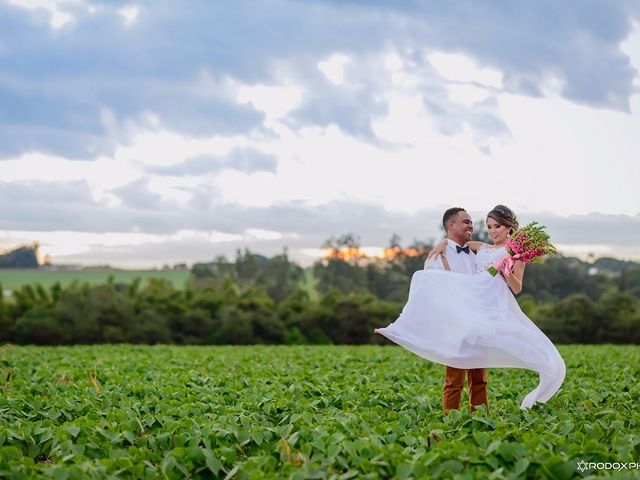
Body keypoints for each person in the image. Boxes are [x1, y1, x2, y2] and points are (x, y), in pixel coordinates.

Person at [374, 205, 565, 411]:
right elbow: (434, 289)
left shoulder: (483, 252)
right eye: (486, 226)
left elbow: (514, 287)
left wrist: (505, 267)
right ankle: (451, 417)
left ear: (509, 227)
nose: (486, 229)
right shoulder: (453, 253)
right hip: (456, 321)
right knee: (454, 377)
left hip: (482, 316)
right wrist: (443, 242)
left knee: (479, 377)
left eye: (495, 226)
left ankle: (480, 417)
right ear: (451, 225)